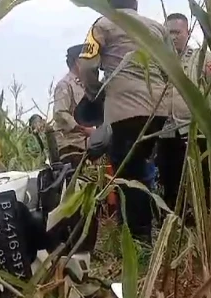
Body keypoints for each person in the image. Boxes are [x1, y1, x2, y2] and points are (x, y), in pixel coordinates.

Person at [77, 0, 173, 243]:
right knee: (143, 169)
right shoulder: (157, 28)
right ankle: (140, 233)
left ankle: (138, 239)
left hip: (123, 109)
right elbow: (171, 66)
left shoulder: (103, 23)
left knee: (128, 173)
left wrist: (93, 93)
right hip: (158, 109)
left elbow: (87, 64)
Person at [156, 12, 211, 214]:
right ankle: (173, 221)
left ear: (188, 33)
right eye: (168, 32)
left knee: (201, 180)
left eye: (177, 32)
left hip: (194, 131)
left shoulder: (201, 57)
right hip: (166, 132)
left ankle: (204, 221)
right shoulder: (158, 62)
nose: (173, 37)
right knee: (169, 181)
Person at [53, 44, 94, 169]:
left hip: (87, 146)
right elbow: (60, 114)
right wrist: (84, 129)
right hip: (71, 148)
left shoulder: (84, 85)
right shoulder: (65, 85)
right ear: (78, 62)